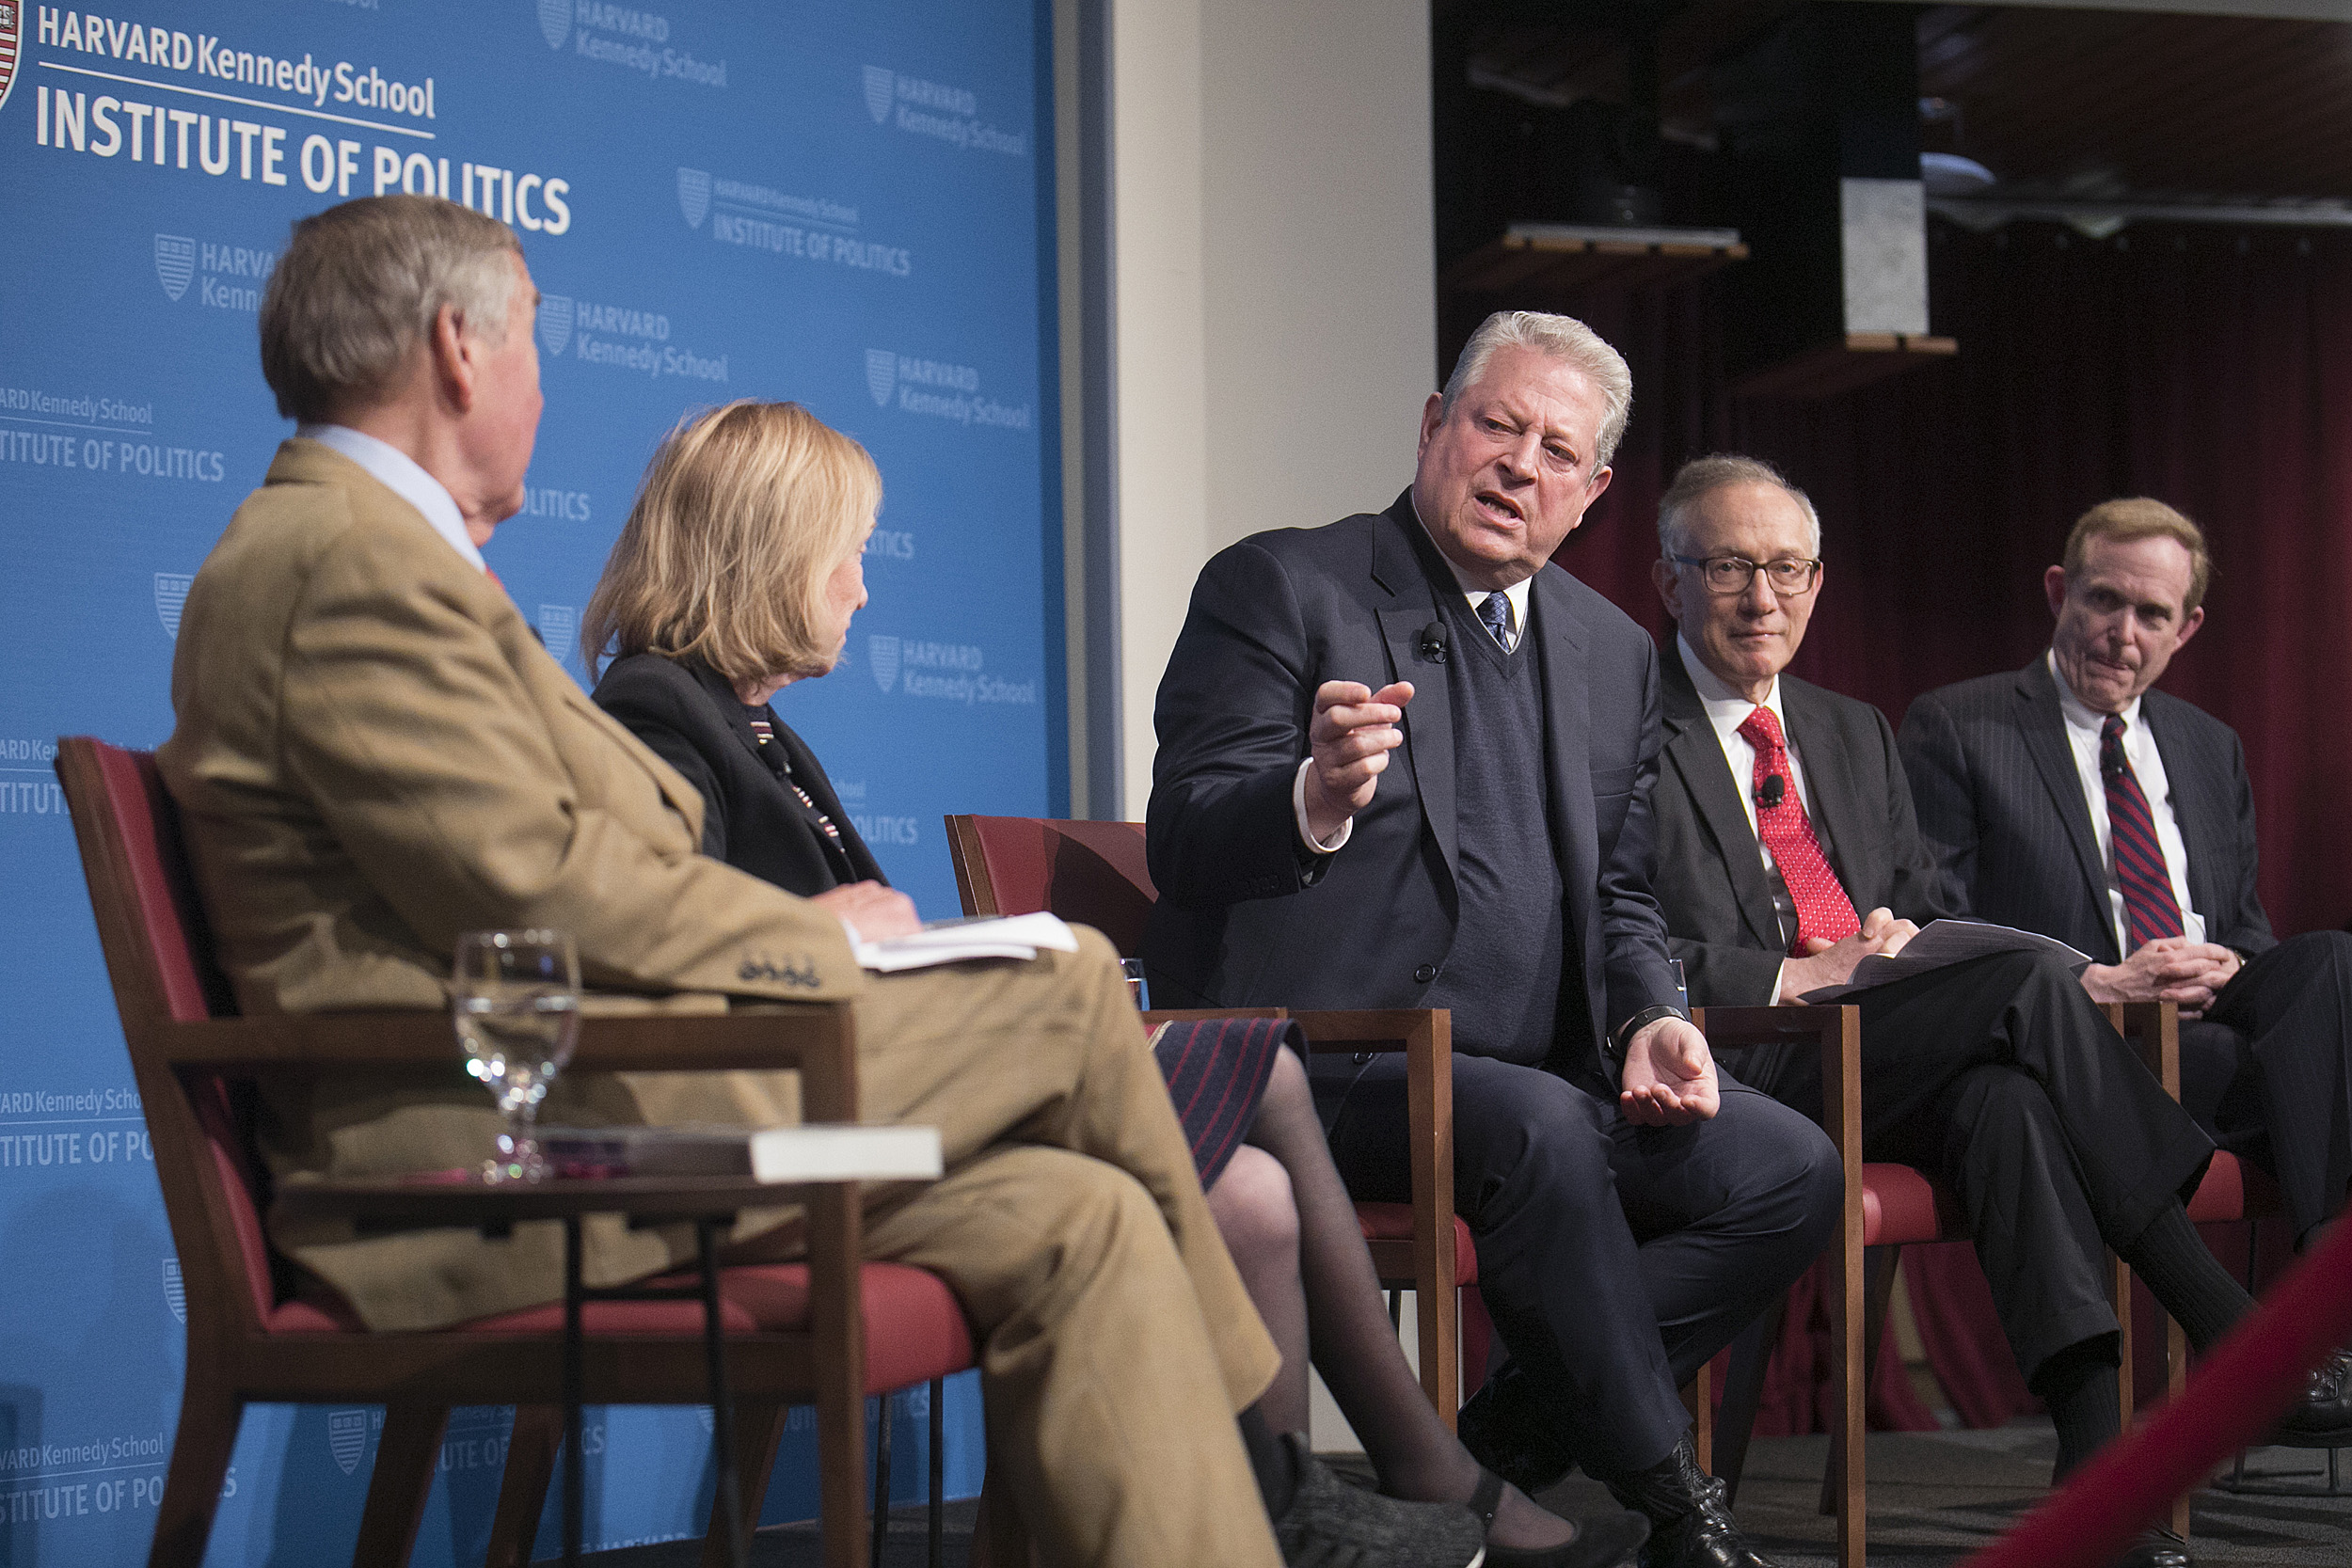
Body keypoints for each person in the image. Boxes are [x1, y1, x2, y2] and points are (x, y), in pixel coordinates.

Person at [151, 193, 1480, 1568]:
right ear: (458, 350)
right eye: (538, 345)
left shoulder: (389, 563)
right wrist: (822, 944)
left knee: (1077, 1213)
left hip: (594, 1116)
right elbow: (549, 897)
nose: (548, 389)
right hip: (491, 1161)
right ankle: (1269, 1479)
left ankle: (1252, 1500)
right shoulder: (345, 568)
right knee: (1076, 980)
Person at [581, 398, 1646, 1568]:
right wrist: (838, 934)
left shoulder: (752, 725)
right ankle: (1360, 1477)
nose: (860, 589)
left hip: (863, 1087)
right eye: (848, 553)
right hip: (791, 1119)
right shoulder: (658, 713)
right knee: (1261, 1071)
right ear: (766, 554)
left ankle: (1286, 1496)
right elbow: (655, 953)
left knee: (1245, 1188)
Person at [1144, 309, 1844, 1568]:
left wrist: (1653, 1018)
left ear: (1594, 488)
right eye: (1495, 425)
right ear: (1434, 425)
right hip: (1329, 1066)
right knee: (1540, 1124)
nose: (1519, 463)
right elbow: (1188, 832)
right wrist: (1308, 797)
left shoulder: (1611, 651)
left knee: (1786, 1165)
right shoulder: (1287, 583)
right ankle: (1677, 1508)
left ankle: (1496, 1439)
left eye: (1554, 448)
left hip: (1549, 1075)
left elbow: (1623, 890)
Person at [1642, 456, 2352, 1567]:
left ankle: (2094, 1464)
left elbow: (1927, 910)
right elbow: (1613, 932)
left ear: (1818, 582)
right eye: (1728, 566)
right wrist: (1790, 973)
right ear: (1668, 580)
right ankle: (2226, 1321)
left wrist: (1894, 940)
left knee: (2005, 1104)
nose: (1760, 597)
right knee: (2031, 989)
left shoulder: (1848, 727)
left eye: (1783, 568)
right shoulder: (1627, 727)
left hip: (1892, 1048)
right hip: (1741, 1056)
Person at [1898, 500, 2352, 1366]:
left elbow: (2249, 925)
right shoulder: (1963, 725)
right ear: (2059, 590)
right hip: (2084, 1051)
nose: (2122, 634)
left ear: (2188, 628)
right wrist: (2101, 979)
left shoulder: (2208, 745)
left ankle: (2325, 1266)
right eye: (2105, 601)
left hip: (2214, 1034)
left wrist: (2233, 962)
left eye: (2152, 615)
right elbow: (1936, 930)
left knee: (2331, 961)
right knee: (2297, 1070)